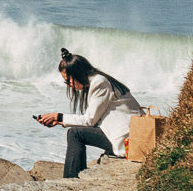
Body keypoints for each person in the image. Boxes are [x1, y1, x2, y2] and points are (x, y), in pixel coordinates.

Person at [35, 48, 142, 178]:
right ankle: (73, 177)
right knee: (75, 132)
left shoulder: (100, 83)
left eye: (67, 81)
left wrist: (58, 116)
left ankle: (70, 180)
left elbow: (90, 120)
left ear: (77, 74)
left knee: (75, 133)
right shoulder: (97, 81)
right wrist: (59, 121)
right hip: (124, 134)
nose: (68, 85)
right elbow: (94, 119)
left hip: (127, 139)